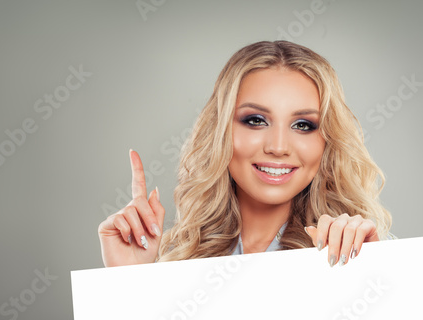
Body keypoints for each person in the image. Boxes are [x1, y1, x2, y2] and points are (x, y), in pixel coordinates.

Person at [98, 40, 394, 268]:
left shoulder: (350, 252)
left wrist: (369, 276)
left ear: (327, 142)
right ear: (221, 132)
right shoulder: (178, 264)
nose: (278, 147)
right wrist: (130, 282)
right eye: (255, 120)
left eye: (303, 125)